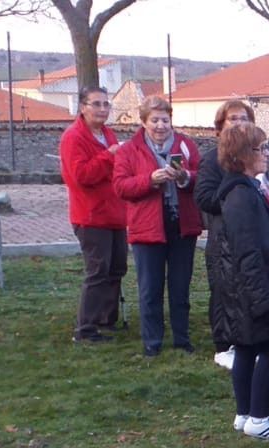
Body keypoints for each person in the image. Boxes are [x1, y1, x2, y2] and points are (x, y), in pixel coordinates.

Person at [213, 124, 269, 441]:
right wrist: (260, 299)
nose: (266, 154)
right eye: (260, 148)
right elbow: (246, 251)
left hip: (252, 284)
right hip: (253, 286)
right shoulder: (239, 196)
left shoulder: (248, 189)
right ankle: (259, 418)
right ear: (243, 155)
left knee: (248, 347)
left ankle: (244, 413)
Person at [113, 96, 201, 357]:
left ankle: (182, 339)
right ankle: (152, 342)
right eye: (155, 120)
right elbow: (120, 187)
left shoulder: (185, 145)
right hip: (147, 228)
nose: (161, 125)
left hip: (181, 225)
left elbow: (202, 176)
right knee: (150, 288)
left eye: (165, 119)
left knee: (180, 286)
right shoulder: (129, 150)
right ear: (143, 122)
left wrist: (185, 177)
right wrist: (149, 180)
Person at [60, 86, 126, 344]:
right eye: (96, 104)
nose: (102, 109)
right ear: (82, 107)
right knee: (98, 270)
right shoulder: (74, 137)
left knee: (116, 268)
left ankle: (105, 320)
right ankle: (85, 329)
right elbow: (80, 176)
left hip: (115, 213)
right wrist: (108, 157)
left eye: (106, 104)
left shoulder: (107, 133)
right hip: (90, 215)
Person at [195, 99, 256, 370]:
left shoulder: (252, 156)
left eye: (244, 117)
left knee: (244, 290)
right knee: (223, 290)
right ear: (220, 127)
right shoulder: (212, 159)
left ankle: (244, 341)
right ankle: (222, 345)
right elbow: (204, 197)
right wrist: (235, 198)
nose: (240, 123)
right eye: (233, 118)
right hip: (223, 237)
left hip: (248, 235)